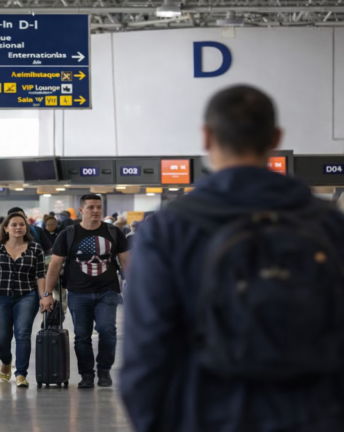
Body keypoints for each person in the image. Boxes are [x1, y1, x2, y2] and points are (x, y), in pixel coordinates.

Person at [121, 86, 344, 432]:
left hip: (205, 413)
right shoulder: (328, 224)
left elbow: (147, 352)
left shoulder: (169, 229)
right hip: (314, 414)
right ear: (275, 138)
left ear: (206, 137)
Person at [43, 194, 130, 389]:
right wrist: (47, 294)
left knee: (107, 330)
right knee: (82, 335)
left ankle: (104, 370)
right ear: (81, 210)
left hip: (107, 291)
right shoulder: (68, 234)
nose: (96, 211)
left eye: (98, 207)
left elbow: (126, 261)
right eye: (90, 207)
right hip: (77, 292)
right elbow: (55, 265)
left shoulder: (113, 232)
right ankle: (87, 374)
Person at [0, 213, 45, 387]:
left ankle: (21, 373)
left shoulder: (35, 248)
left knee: (23, 335)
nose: (18, 228)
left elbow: (40, 275)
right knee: (1, 337)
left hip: (26, 296)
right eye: (14, 225)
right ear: (5, 228)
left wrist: (44, 296)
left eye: (22, 224)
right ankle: (6, 361)